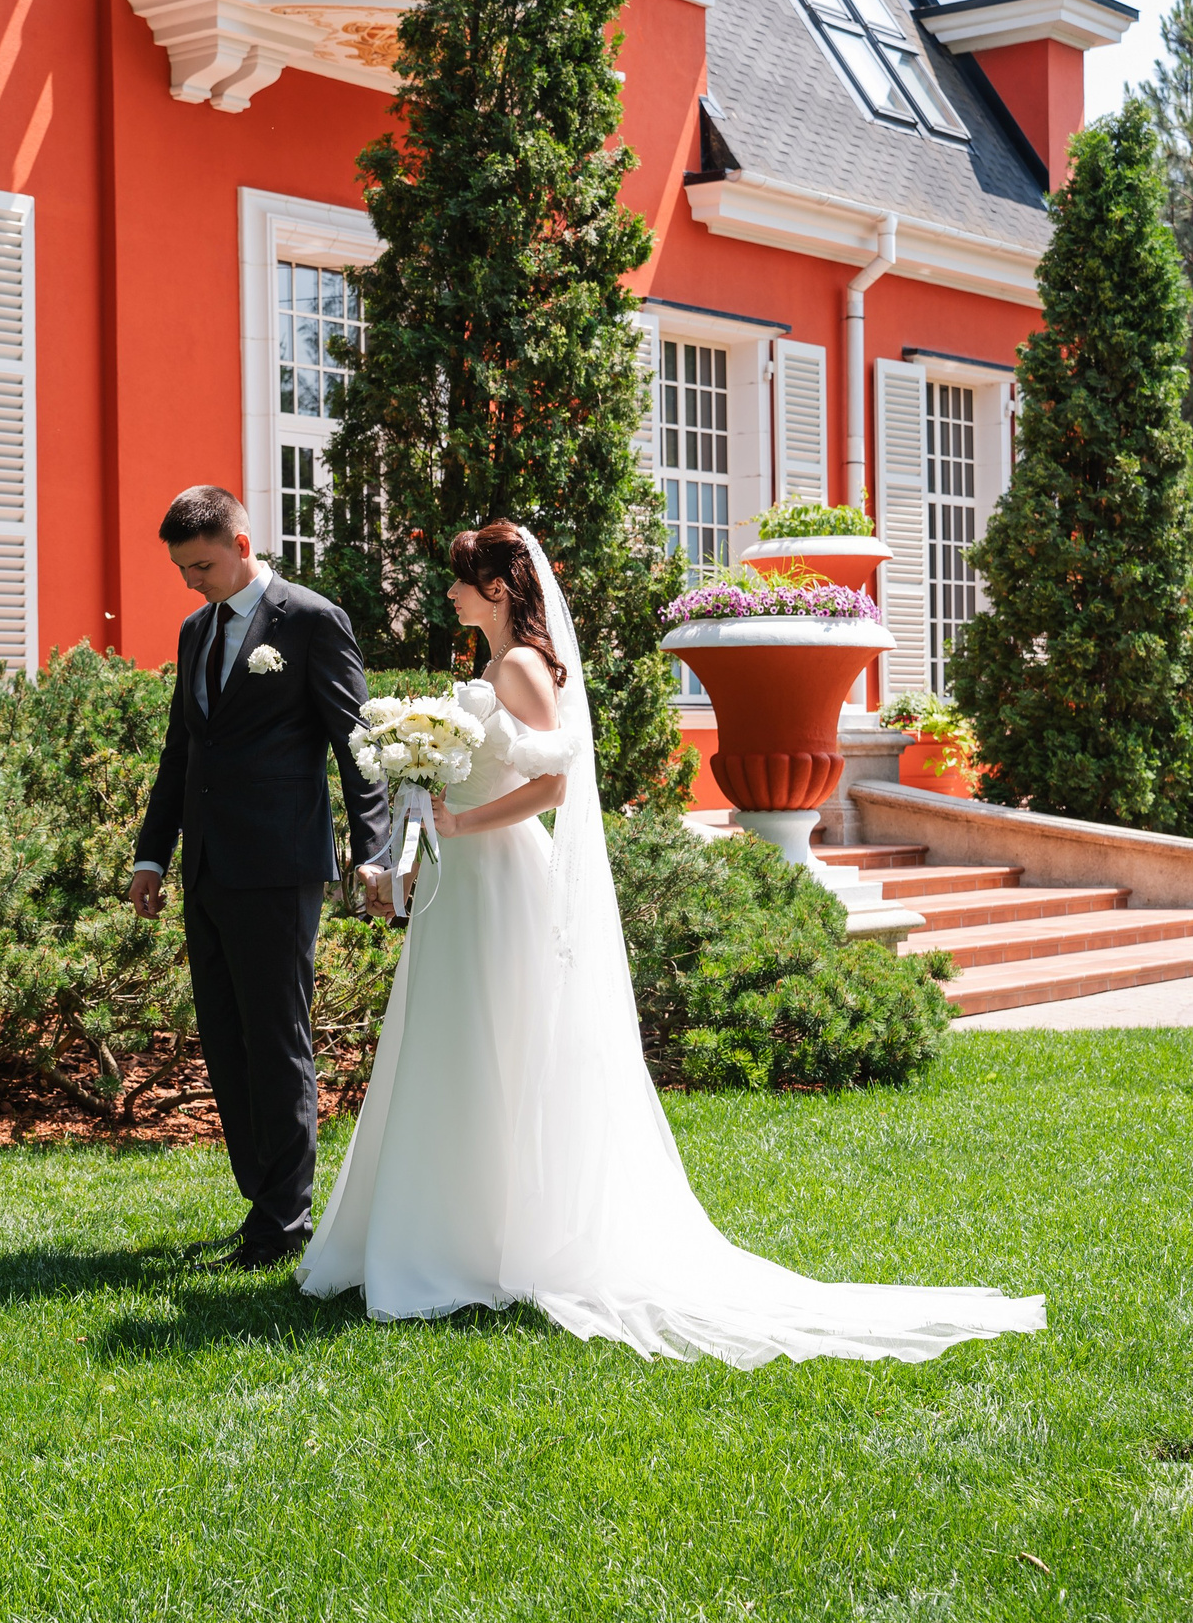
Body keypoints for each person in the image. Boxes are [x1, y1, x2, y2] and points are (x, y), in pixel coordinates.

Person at [294, 521, 1045, 1367]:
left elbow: (553, 781)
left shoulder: (517, 668)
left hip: (497, 878)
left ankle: (468, 1244)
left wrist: (460, 819)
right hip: (466, 882)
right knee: (458, 1044)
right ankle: (444, 1231)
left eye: (459, 580)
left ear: (497, 589)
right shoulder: (502, 665)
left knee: (486, 1044)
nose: (449, 593)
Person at [126, 486, 390, 1270]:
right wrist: (152, 854)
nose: (191, 581)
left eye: (201, 565)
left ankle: (284, 1222)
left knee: (277, 1043)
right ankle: (263, 1198)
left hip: (279, 866)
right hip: (207, 867)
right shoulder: (193, 630)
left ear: (243, 545)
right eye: (180, 568)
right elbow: (183, 752)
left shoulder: (311, 620)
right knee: (227, 1040)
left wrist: (372, 848)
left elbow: (359, 744)